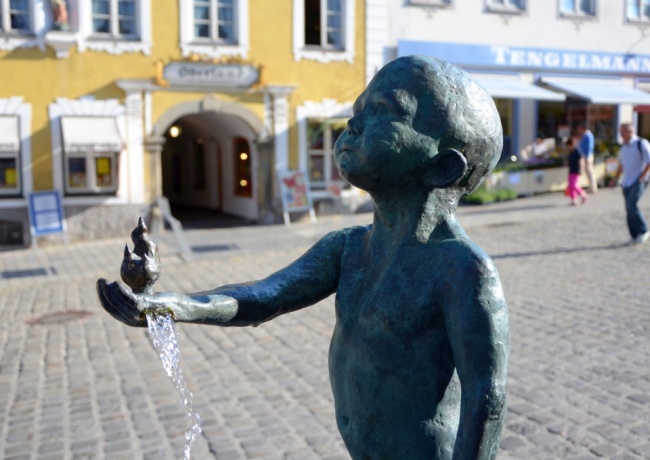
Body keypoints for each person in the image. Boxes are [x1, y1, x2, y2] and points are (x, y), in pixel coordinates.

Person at [97, 55, 509, 459]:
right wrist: (171, 305)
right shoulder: (348, 246)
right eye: (357, 108)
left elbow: (485, 397)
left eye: (384, 110)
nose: (353, 124)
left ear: (441, 167)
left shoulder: (460, 268)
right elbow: (264, 296)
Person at [609, 123, 650, 245]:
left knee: (632, 205)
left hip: (638, 180)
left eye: (624, 131)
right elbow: (622, 164)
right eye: (620, 131)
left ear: (631, 131)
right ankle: (634, 234)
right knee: (628, 208)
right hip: (626, 181)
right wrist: (615, 178)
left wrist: (641, 177)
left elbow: (649, 161)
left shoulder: (641, 143)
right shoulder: (624, 147)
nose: (621, 134)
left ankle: (643, 231)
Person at [565, 137, 588, 206]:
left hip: (576, 170)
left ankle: (584, 195)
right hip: (571, 170)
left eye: (569, 146)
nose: (568, 147)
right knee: (570, 186)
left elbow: (582, 159)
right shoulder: (571, 152)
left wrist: (582, 168)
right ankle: (573, 200)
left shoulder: (577, 151)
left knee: (574, 185)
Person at [577, 122, 597, 194]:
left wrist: (586, 156)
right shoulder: (585, 135)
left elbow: (589, 147)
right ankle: (591, 188)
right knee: (588, 172)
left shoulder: (588, 135)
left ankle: (593, 188)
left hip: (587, 156)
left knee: (589, 172)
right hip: (585, 155)